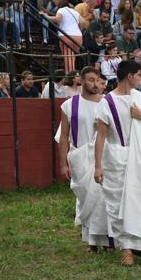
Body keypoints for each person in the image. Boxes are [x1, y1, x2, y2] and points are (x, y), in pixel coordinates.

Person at [94, 60, 141, 266]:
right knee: (118, 203)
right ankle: (125, 247)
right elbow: (100, 136)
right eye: (139, 74)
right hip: (117, 155)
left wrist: (140, 115)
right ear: (129, 76)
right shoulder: (106, 102)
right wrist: (97, 165)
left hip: (140, 156)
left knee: (140, 200)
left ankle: (140, 246)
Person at [58, 67, 111, 252]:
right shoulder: (69, 105)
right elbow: (63, 136)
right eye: (90, 80)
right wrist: (63, 163)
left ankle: (106, 240)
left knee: (102, 198)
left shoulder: (106, 103)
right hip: (79, 157)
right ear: (81, 80)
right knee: (86, 198)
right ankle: (91, 240)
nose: (95, 84)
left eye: (97, 80)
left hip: (102, 156)